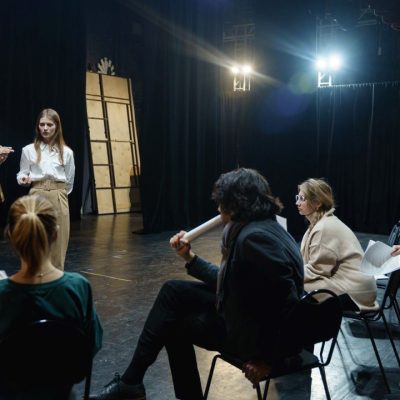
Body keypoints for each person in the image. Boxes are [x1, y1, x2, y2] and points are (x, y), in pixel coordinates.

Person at [90, 168, 304, 400]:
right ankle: (132, 383)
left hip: (257, 341)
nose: (218, 207)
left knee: (174, 324)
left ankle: (132, 384)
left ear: (235, 202)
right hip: (249, 314)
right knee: (173, 292)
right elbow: (229, 281)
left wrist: (268, 361)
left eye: (222, 200)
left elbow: (288, 304)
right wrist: (189, 257)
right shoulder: (264, 227)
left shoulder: (254, 238)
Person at [0, 194, 102, 397]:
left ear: (10, 236)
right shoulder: (78, 287)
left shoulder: (3, 295)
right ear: (55, 234)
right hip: (61, 392)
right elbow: (93, 343)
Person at [296, 178, 377, 311]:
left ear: (317, 203)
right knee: (293, 286)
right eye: (297, 197)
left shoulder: (324, 227)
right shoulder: (320, 223)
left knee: (293, 290)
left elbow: (318, 270)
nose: (297, 203)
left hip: (356, 291)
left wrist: (288, 273)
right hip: (351, 284)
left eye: (302, 199)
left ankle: (307, 330)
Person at [17, 109, 75, 270]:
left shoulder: (67, 152)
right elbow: (23, 172)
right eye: (42, 124)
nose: (45, 128)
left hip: (58, 194)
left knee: (59, 240)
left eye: (49, 124)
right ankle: (34, 278)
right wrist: (22, 179)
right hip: (36, 193)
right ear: (38, 127)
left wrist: (59, 193)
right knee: (34, 238)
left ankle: (56, 279)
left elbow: (69, 180)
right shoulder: (28, 150)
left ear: (56, 126)